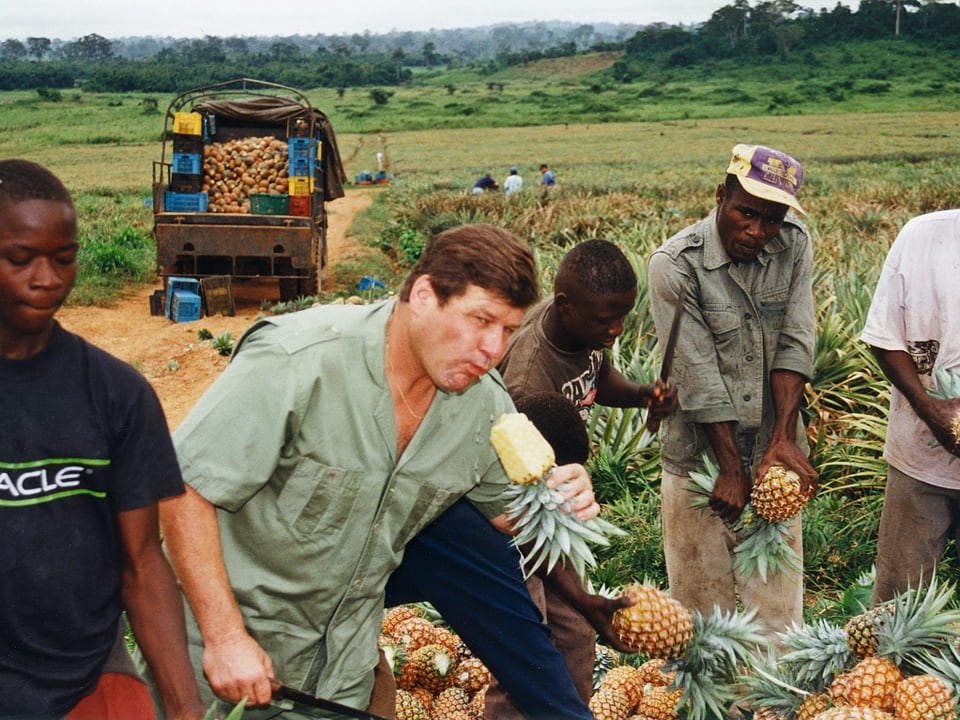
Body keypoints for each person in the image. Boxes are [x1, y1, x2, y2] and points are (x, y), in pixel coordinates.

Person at [151, 223, 602, 719]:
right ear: (425, 296)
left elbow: (506, 519)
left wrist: (560, 499)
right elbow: (184, 488)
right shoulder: (298, 362)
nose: (492, 348)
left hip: (340, 680)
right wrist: (225, 637)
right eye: (480, 320)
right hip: (220, 664)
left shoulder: (484, 408)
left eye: (508, 330)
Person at [0, 159, 206, 720]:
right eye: (20, 259)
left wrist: (187, 710)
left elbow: (141, 560)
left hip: (87, 679)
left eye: (63, 259)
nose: (47, 279)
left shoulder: (116, 393)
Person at [493, 238, 678, 712]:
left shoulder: (584, 329)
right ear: (564, 305)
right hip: (511, 515)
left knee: (574, 634)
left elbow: (597, 378)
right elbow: (522, 506)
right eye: (605, 321)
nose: (615, 330)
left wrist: (641, 393)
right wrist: (578, 593)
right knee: (529, 645)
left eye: (623, 317)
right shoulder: (529, 376)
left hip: (550, 500)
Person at [647, 144, 819, 643]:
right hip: (700, 460)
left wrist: (782, 440)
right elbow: (696, 373)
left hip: (774, 451)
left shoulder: (795, 244)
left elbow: (796, 340)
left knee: (777, 616)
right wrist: (730, 467)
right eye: (747, 212)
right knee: (703, 615)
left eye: (772, 218)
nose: (758, 231)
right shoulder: (675, 264)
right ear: (722, 194)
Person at [860, 209, 960, 605]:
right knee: (898, 601)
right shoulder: (922, 236)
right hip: (917, 454)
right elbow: (884, 337)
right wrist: (929, 410)